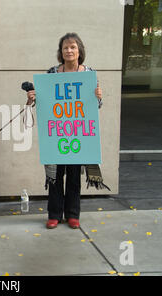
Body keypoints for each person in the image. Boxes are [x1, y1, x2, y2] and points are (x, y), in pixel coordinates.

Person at [26, 32, 102, 230]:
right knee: (56, 176)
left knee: (75, 176)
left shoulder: (88, 74)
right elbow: (44, 104)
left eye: (73, 47)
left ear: (79, 51)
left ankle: (73, 215)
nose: (69, 51)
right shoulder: (52, 73)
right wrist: (33, 97)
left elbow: (96, 106)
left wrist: (97, 97)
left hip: (78, 133)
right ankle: (54, 214)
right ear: (61, 52)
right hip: (57, 134)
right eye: (65, 48)